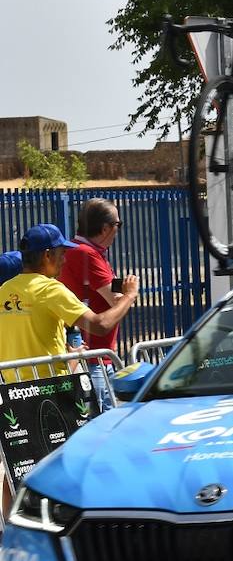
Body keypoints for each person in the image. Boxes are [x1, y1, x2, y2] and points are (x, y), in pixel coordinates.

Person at [0, 224, 139, 515]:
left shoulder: (4, 290)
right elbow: (100, 324)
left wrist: (66, 355)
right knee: (68, 460)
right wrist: (128, 296)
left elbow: (24, 340)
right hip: (51, 392)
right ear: (48, 255)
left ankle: (14, 528)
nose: (65, 260)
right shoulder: (50, 289)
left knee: (16, 464)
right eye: (62, 254)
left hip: (12, 394)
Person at [59, 198, 126, 411]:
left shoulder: (91, 252)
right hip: (93, 357)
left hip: (98, 356)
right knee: (102, 424)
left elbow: (110, 287)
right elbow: (116, 300)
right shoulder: (86, 253)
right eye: (118, 224)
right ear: (105, 228)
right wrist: (130, 293)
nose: (118, 230)